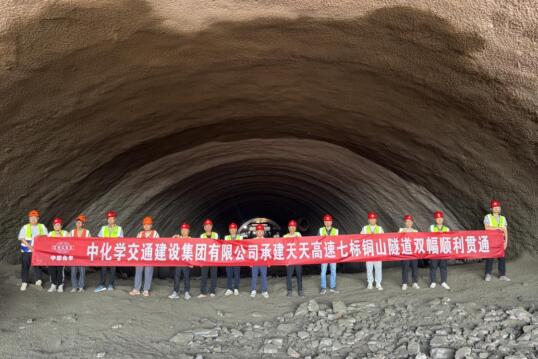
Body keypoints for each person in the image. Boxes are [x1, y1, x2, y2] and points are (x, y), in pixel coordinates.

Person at [18, 210, 48, 291]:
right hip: (26, 251)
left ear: (38, 218)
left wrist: (41, 236)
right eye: (31, 218)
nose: (33, 219)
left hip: (38, 251)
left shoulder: (42, 226)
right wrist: (30, 247)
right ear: (29, 218)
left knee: (38, 266)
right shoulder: (25, 227)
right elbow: (21, 238)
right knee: (25, 266)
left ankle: (38, 281)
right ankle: (24, 282)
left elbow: (46, 236)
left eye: (35, 218)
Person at [95, 211, 124, 292]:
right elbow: (99, 239)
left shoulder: (119, 228)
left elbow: (122, 241)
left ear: (115, 219)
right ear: (107, 220)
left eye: (112, 218)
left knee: (112, 268)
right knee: (103, 268)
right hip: (105, 251)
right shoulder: (103, 228)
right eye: (109, 219)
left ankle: (111, 284)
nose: (110, 220)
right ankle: (102, 284)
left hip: (114, 251)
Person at [129, 216, 159, 297]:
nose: (146, 226)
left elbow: (158, 244)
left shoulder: (155, 233)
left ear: (151, 225)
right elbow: (136, 244)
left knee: (148, 272)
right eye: (145, 224)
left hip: (150, 256)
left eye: (148, 224)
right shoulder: (140, 233)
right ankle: (137, 289)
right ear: (143, 225)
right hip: (140, 256)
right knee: (138, 271)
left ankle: (146, 289)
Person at [484, 199, 510, 281]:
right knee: (490, 258)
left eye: (497, 207)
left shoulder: (503, 218)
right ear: (491, 209)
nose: (496, 208)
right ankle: (488, 274)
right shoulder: (487, 217)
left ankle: (502, 275)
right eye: (494, 207)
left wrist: (506, 241)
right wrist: (498, 228)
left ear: (500, 208)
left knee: (502, 258)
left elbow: (505, 230)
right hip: (491, 240)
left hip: (500, 241)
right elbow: (487, 228)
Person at [361, 212, 384, 291]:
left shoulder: (380, 228)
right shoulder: (365, 228)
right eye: (371, 219)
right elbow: (360, 238)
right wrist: (368, 235)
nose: (372, 220)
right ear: (368, 220)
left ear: (376, 220)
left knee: (378, 268)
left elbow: (384, 239)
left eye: (373, 219)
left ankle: (378, 283)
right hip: (369, 251)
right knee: (369, 268)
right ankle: (370, 283)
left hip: (377, 251)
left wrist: (376, 236)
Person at [169, 223, 192, 300]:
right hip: (178, 261)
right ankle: (175, 291)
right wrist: (173, 237)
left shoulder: (191, 239)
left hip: (186, 261)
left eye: (186, 230)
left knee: (186, 277)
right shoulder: (178, 238)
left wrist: (192, 262)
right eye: (182, 230)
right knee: (176, 276)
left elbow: (194, 251)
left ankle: (187, 292)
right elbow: (169, 243)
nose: (184, 231)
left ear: (188, 231)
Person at [429, 211, 450, 290]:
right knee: (433, 266)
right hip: (434, 250)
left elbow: (449, 239)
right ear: (435, 219)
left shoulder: (447, 229)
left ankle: (443, 281)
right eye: (437, 218)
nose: (439, 220)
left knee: (443, 266)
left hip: (443, 250)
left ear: (443, 219)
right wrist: (438, 233)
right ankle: (433, 281)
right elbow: (429, 236)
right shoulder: (431, 227)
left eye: (440, 218)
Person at [198, 219, 219, 298]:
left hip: (214, 258)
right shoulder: (201, 236)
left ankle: (212, 291)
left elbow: (217, 244)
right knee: (204, 275)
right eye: (206, 226)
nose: (207, 227)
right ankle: (203, 292)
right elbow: (199, 247)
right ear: (204, 227)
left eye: (209, 225)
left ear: (212, 226)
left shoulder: (216, 235)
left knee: (213, 275)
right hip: (205, 258)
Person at [70, 214, 90, 293]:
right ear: (75, 223)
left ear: (83, 224)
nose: (78, 224)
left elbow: (92, 241)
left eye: (80, 222)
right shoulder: (72, 232)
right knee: (73, 271)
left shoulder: (87, 232)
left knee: (82, 271)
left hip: (82, 255)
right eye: (77, 222)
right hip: (74, 255)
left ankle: (81, 287)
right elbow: (66, 241)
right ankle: (74, 287)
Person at [319, 214, 339, 294]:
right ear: (324, 222)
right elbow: (317, 240)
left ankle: (332, 287)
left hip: (332, 253)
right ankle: (323, 287)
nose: (327, 223)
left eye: (329, 221)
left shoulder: (336, 230)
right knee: (323, 271)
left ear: (331, 222)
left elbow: (338, 242)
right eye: (326, 221)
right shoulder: (320, 230)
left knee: (333, 270)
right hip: (324, 254)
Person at [48, 218, 68, 293]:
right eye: (55, 225)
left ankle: (60, 285)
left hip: (61, 255)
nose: (56, 226)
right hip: (52, 255)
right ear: (53, 226)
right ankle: (53, 284)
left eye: (58, 225)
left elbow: (70, 242)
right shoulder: (50, 234)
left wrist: (61, 236)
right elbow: (46, 244)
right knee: (52, 270)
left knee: (60, 270)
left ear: (61, 226)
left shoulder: (65, 233)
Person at [399, 214, 419, 290]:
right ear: (405, 223)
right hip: (405, 253)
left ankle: (415, 282)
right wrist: (401, 233)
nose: (408, 223)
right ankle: (404, 283)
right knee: (405, 268)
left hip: (413, 253)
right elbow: (396, 239)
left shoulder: (415, 231)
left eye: (410, 221)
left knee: (414, 268)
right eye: (407, 222)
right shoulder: (401, 230)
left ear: (412, 223)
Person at [284, 220, 304, 297]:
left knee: (299, 275)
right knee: (289, 275)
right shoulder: (285, 237)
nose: (292, 228)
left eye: (293, 227)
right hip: (289, 259)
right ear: (288, 228)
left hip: (298, 259)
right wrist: (285, 261)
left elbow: (302, 243)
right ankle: (289, 290)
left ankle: (300, 290)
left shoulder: (298, 234)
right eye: (290, 227)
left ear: (295, 228)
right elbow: (284, 249)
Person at [250, 224, 269, 298]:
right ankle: (253, 290)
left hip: (263, 261)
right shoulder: (253, 241)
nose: (260, 232)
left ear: (263, 232)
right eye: (258, 231)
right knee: (254, 276)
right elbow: (250, 251)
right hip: (254, 261)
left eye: (261, 231)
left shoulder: (266, 241)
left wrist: (269, 262)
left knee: (264, 276)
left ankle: (264, 291)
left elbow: (269, 251)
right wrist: (250, 262)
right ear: (256, 232)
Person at [224, 223, 242, 296]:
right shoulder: (226, 237)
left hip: (237, 259)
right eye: (231, 229)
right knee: (229, 274)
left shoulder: (240, 237)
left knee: (236, 274)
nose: (232, 230)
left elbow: (242, 247)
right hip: (228, 259)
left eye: (234, 229)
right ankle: (229, 289)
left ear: (236, 229)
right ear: (229, 230)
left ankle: (236, 288)